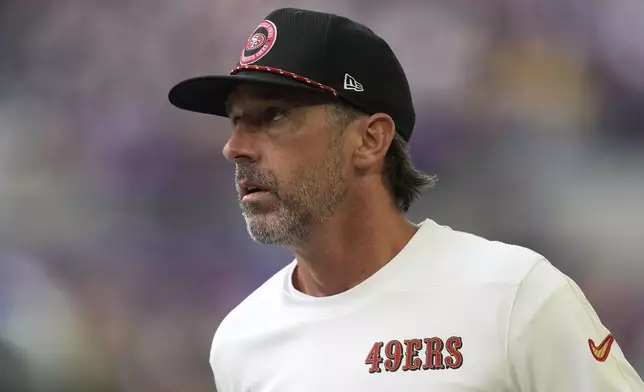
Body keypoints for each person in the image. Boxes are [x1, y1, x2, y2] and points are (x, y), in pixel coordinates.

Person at [168, 7, 644, 392]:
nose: (235, 147)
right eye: (236, 121)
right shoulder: (240, 341)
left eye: (273, 116)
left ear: (370, 140)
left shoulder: (515, 296)